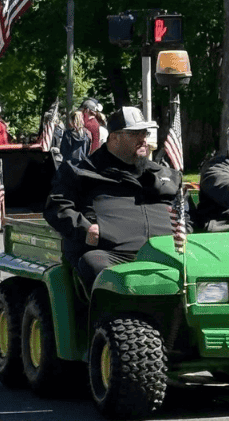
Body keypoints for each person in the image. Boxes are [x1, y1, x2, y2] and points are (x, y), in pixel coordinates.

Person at [44, 106, 183, 291]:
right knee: (96, 265)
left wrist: (184, 230)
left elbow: (186, 211)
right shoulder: (82, 172)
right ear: (114, 137)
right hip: (113, 255)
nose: (143, 139)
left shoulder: (164, 176)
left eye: (145, 132)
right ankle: (107, 320)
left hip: (166, 252)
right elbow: (57, 207)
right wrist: (85, 228)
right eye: (135, 133)